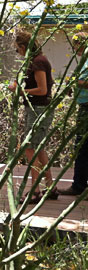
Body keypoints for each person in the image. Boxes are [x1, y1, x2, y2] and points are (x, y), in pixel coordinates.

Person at [9, 31, 58, 205]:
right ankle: (50, 187)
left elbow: (42, 89)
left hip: (38, 109)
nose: (18, 53)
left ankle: (35, 191)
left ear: (23, 47)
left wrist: (20, 91)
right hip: (36, 108)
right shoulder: (37, 60)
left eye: (18, 50)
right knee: (39, 147)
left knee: (30, 148)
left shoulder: (37, 62)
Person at [59, 32, 88, 197]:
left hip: (87, 108)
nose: (73, 48)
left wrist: (75, 82)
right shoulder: (83, 60)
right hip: (83, 105)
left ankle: (79, 186)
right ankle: (79, 185)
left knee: (82, 147)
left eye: (75, 44)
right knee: (82, 148)